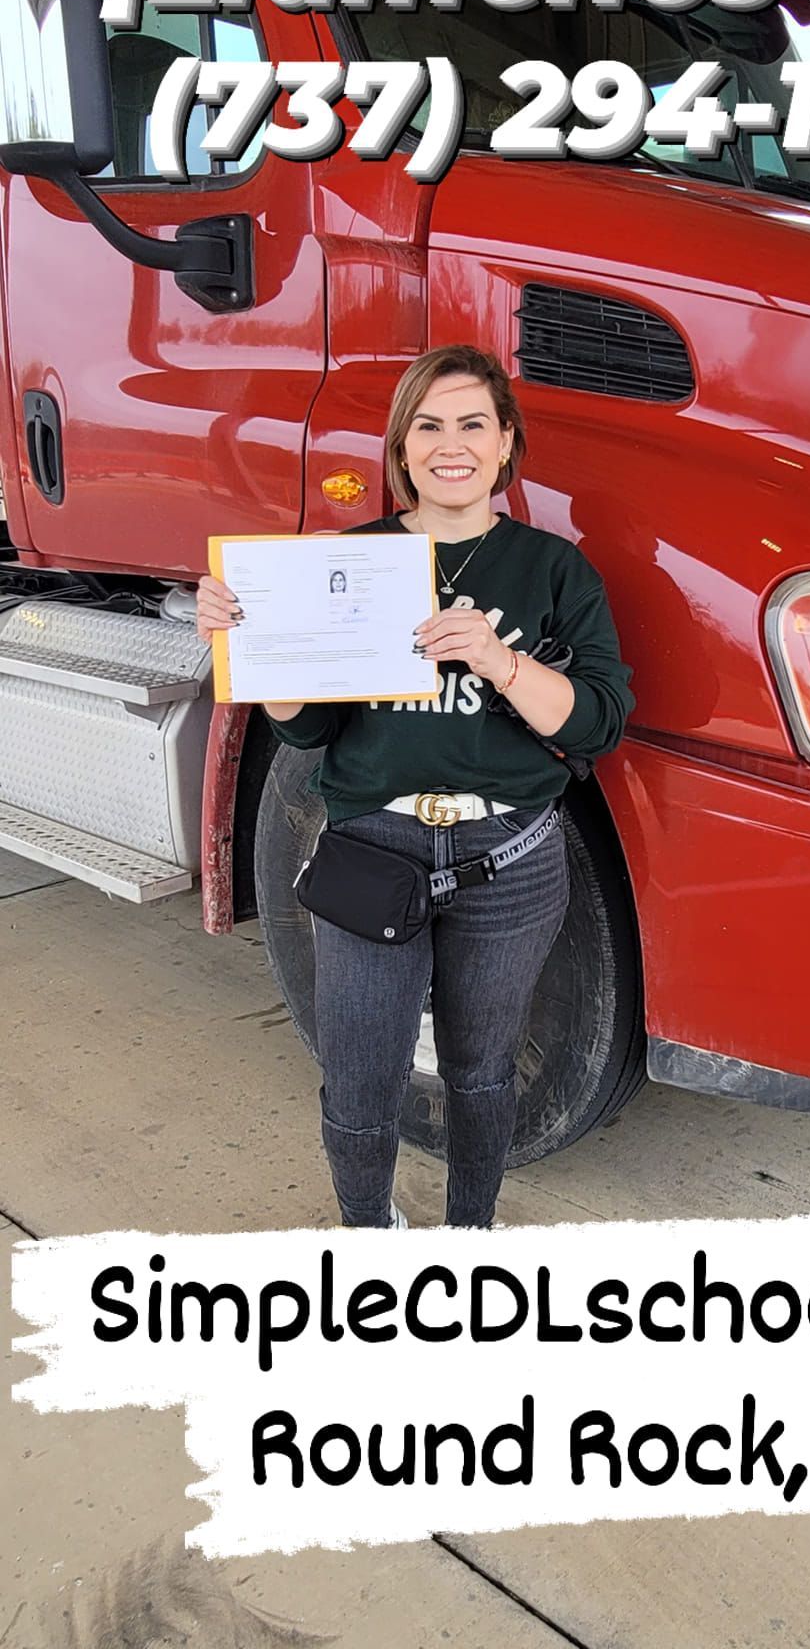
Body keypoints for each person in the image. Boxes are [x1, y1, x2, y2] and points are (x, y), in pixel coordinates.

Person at [197, 345, 633, 1230]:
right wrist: (255, 643)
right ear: (401, 450)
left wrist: (497, 657)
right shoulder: (348, 563)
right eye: (427, 425)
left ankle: (470, 1232)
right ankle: (371, 1234)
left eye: (474, 423)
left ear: (506, 445)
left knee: (481, 1069)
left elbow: (596, 723)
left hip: (509, 856)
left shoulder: (554, 572)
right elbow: (308, 729)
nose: (451, 444)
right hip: (373, 846)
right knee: (360, 1074)